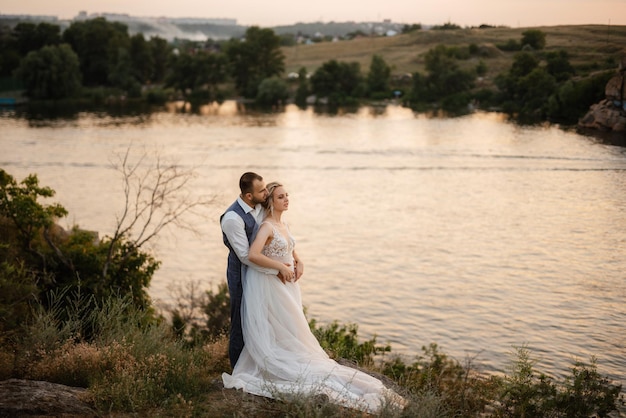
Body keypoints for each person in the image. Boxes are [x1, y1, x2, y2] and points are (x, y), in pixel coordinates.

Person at [222, 182, 406, 413]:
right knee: (281, 326)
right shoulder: (266, 226)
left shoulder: (283, 223)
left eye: (287, 195)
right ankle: (273, 362)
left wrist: (299, 260)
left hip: (288, 285)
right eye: (281, 196)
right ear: (271, 201)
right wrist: (280, 266)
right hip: (271, 285)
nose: (287, 199)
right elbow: (253, 255)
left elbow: (288, 245)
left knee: (292, 327)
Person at [221, 172, 304, 369]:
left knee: (274, 321)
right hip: (242, 275)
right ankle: (239, 369)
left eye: (267, 189)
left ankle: (269, 360)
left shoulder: (259, 206)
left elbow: (283, 240)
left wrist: (297, 260)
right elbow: (246, 256)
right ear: (249, 196)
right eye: (262, 191)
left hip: (269, 273)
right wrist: (278, 269)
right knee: (242, 323)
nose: (266, 193)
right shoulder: (233, 218)